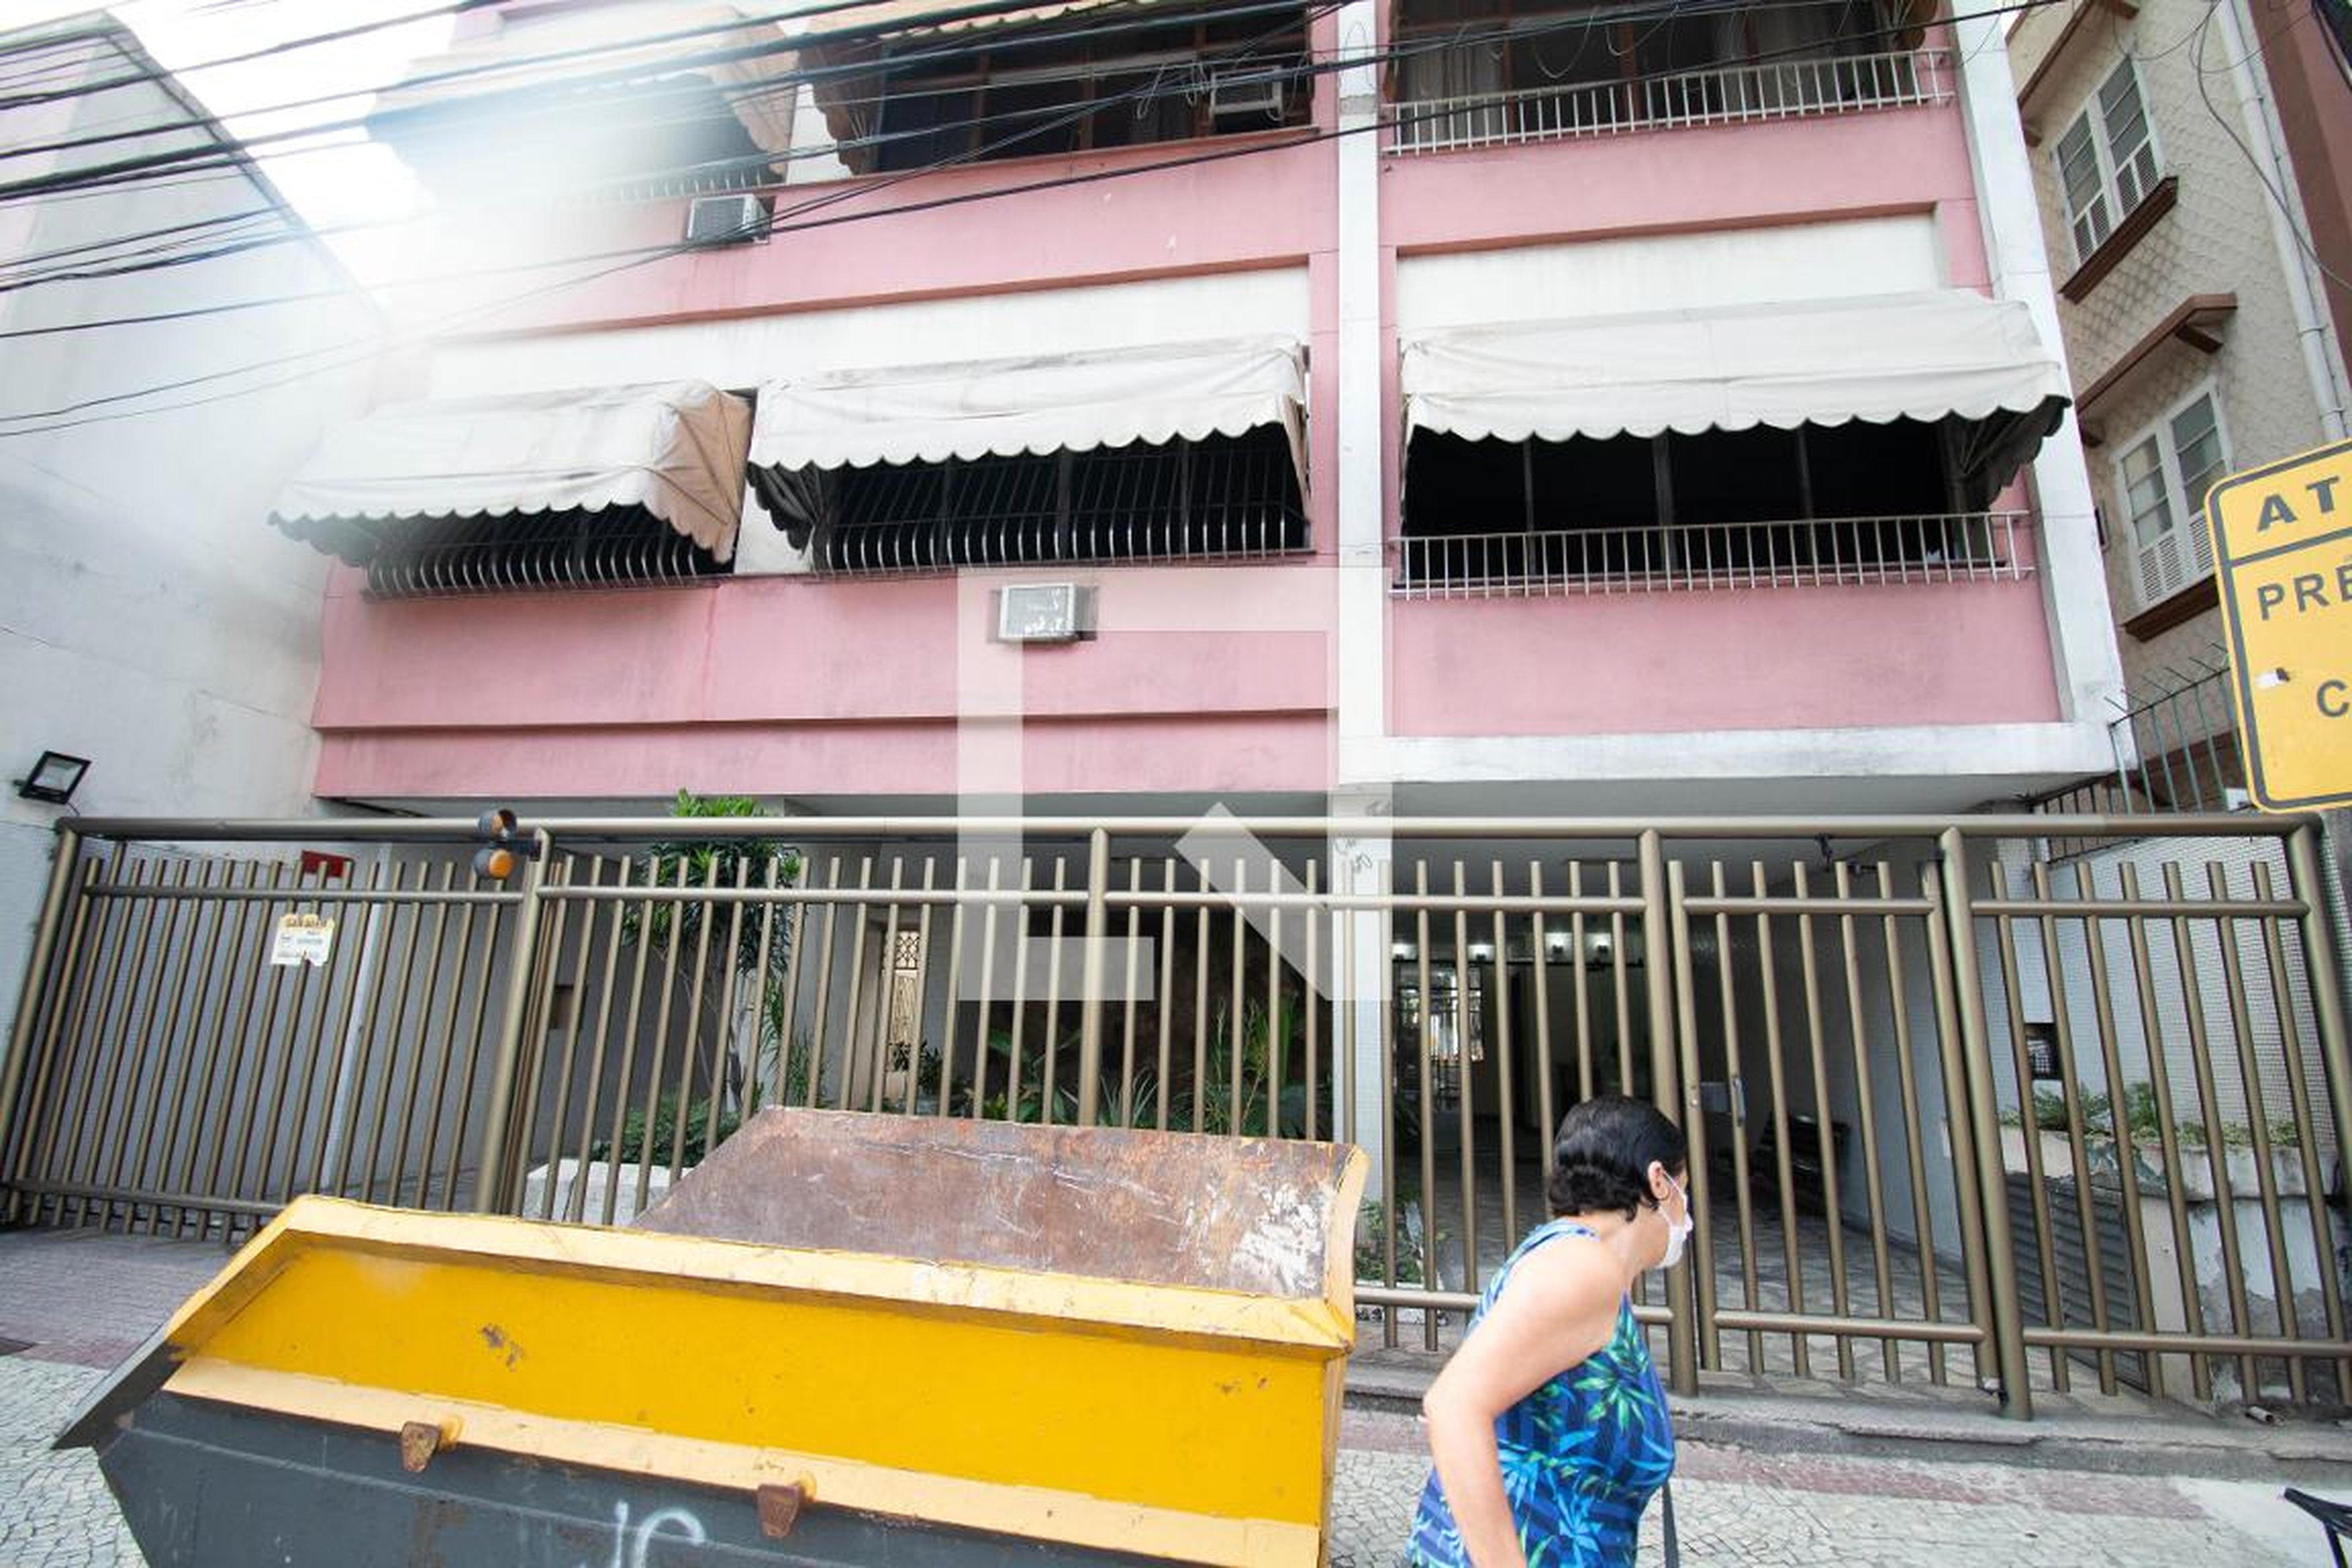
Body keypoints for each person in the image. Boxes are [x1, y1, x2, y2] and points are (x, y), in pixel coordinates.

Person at [1404, 1094, 1689, 1568]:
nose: (1685, 1217)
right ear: (1658, 1181)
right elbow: (1453, 1405)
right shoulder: (1581, 1269)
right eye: (1684, 1191)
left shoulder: (1578, 1261)